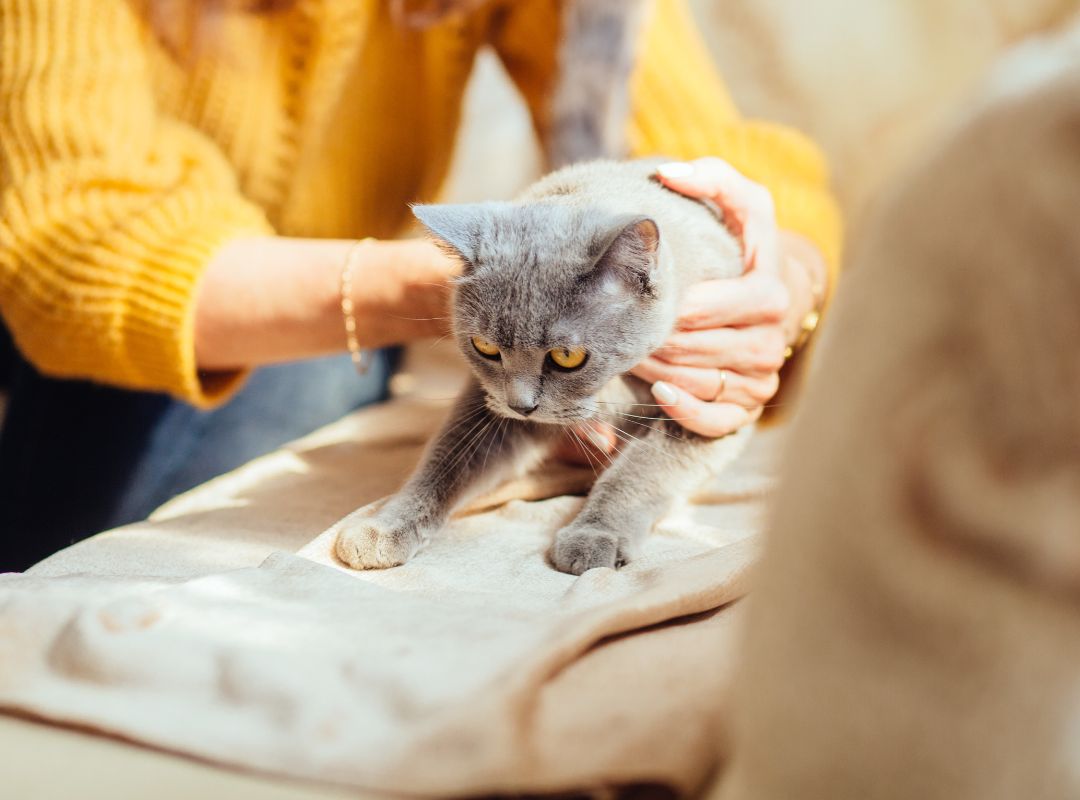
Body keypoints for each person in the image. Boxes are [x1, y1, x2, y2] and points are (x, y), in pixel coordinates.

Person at [0, 0, 840, 571]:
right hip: (148, 299)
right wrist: (448, 284)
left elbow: (710, 150)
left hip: (379, 302)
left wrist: (780, 284)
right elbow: (73, 243)